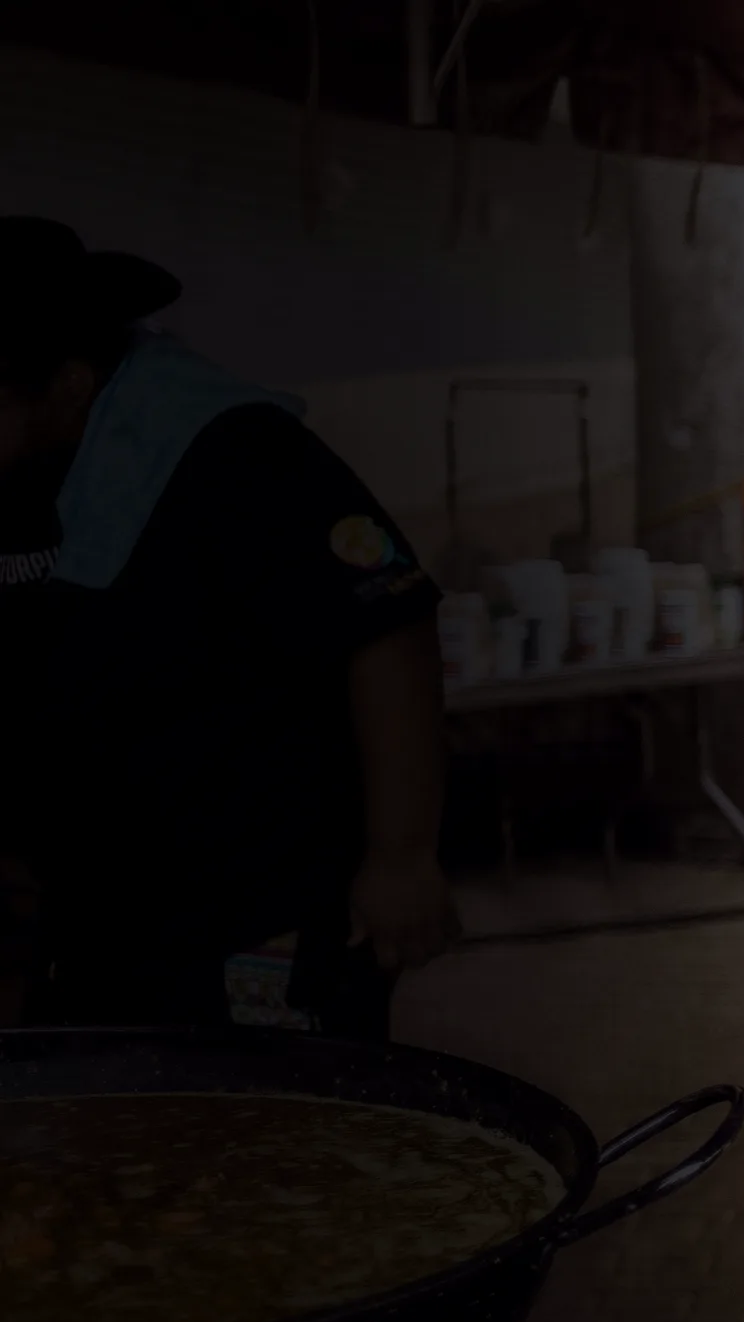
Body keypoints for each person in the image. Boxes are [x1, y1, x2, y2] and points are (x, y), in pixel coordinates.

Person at [0, 218, 455, 1038]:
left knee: (270, 1144)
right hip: (106, 917)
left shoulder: (230, 452)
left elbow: (387, 624)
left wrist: (402, 855)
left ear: (67, 383)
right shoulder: (25, 475)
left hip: (260, 909)